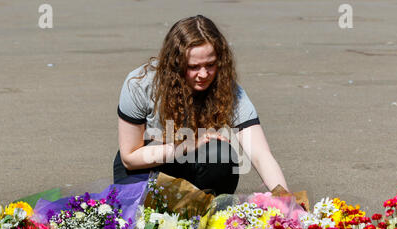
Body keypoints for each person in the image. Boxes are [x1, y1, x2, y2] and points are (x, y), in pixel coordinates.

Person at [113, 15, 288, 195]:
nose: (204, 74)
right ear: (175, 64)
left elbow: (260, 154)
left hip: (193, 167)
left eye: (210, 65)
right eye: (193, 67)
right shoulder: (140, 84)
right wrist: (189, 144)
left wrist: (285, 199)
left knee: (221, 154)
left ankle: (206, 209)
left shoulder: (227, 89)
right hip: (145, 168)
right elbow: (130, 158)